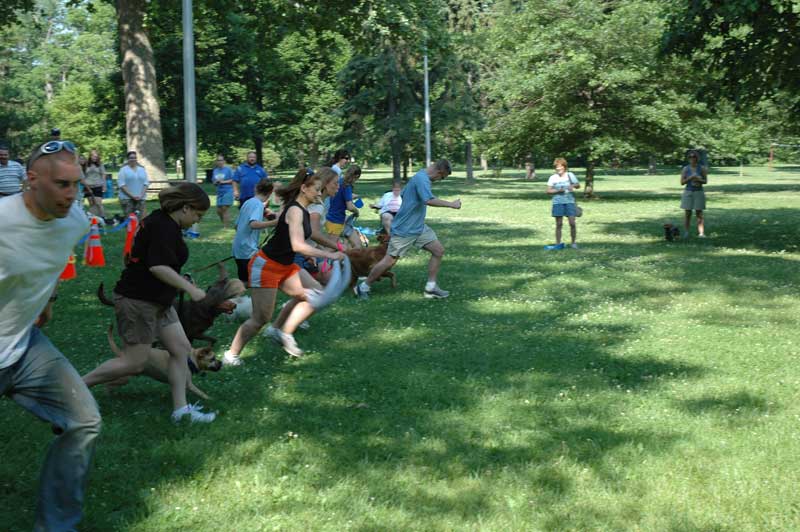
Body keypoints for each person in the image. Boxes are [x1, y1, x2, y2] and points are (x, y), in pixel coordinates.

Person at [0, 140, 101, 530]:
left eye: (76, 185)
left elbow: (51, 262)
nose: (71, 195)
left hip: (23, 346)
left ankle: (57, 527)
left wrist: (47, 299)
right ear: (31, 180)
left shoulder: (74, 222)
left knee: (83, 421)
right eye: (62, 185)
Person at [82, 182, 216, 423]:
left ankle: (181, 411)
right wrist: (190, 289)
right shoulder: (163, 227)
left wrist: (179, 278)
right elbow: (157, 267)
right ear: (185, 208)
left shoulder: (164, 222)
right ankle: (73, 390)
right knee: (134, 362)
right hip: (138, 301)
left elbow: (154, 261)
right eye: (198, 214)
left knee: (181, 350)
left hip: (159, 301)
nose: (198, 220)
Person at [223, 168, 345, 364]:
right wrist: (328, 254)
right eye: (316, 189)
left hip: (286, 267)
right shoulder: (295, 210)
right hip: (267, 266)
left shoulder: (302, 210)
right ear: (304, 188)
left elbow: (307, 236)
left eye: (321, 190)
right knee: (260, 319)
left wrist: (335, 246)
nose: (319, 194)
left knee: (314, 294)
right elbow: (298, 245)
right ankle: (231, 355)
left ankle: (281, 331)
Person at [356, 159, 460, 300]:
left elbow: (406, 195)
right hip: (405, 229)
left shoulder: (422, 177)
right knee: (389, 261)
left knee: (438, 250)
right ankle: (363, 287)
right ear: (439, 172)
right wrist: (452, 204)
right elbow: (428, 200)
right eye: (442, 177)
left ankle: (431, 288)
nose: (439, 180)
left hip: (418, 227)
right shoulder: (421, 179)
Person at [233, 177, 278, 284]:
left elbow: (236, 225)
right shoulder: (258, 205)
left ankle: (235, 297)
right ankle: (232, 296)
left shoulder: (248, 202)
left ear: (256, 188)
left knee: (245, 281)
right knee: (257, 281)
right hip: (248, 250)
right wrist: (274, 223)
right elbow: (253, 224)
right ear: (270, 192)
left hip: (239, 248)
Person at [545, 157, 580, 250]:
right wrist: (557, 190)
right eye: (556, 167)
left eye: (560, 167)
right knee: (559, 224)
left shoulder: (570, 175)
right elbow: (548, 191)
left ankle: (573, 243)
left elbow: (578, 185)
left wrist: (571, 186)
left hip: (570, 202)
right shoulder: (553, 177)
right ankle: (558, 243)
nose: (558, 169)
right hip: (557, 203)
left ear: (564, 167)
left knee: (572, 223)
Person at [325, 165, 362, 247]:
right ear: (356, 176)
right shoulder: (347, 186)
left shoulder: (340, 182)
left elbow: (341, 195)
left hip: (336, 218)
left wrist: (352, 196)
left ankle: (348, 259)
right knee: (331, 247)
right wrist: (356, 211)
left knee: (356, 244)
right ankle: (322, 259)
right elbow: (349, 206)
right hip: (335, 220)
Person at [680, 150, 708, 238]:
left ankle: (701, 233)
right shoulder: (685, 169)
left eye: (694, 157)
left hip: (699, 192)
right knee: (687, 213)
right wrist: (691, 177)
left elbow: (705, 181)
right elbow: (682, 182)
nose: (692, 158)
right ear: (688, 159)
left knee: (699, 213)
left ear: (697, 158)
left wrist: (699, 180)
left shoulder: (702, 168)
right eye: (690, 157)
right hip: (688, 192)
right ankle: (686, 232)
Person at [118, 150, 149, 217]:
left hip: (141, 198)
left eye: (134, 157)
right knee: (130, 220)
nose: (133, 159)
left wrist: (141, 195)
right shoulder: (123, 170)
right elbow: (122, 185)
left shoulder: (142, 169)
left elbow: (146, 183)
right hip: (127, 199)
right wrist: (132, 196)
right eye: (131, 158)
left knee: (143, 219)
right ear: (128, 159)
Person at [212, 155, 235, 228]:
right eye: (218, 160)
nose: (220, 162)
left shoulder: (228, 169)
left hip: (228, 190)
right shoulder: (215, 170)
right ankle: (225, 223)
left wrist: (223, 182)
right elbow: (213, 181)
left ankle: (226, 227)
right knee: (219, 211)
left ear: (224, 161)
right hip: (219, 192)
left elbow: (233, 180)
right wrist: (215, 182)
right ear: (216, 162)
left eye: (221, 160)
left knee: (224, 208)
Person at [83, 149, 107, 218]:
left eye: (96, 156)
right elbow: (83, 175)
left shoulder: (100, 164)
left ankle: (103, 218)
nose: (94, 157)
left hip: (98, 186)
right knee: (92, 204)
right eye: (93, 156)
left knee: (98, 203)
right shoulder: (86, 164)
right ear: (90, 156)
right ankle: (94, 219)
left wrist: (104, 185)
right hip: (88, 187)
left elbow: (103, 175)